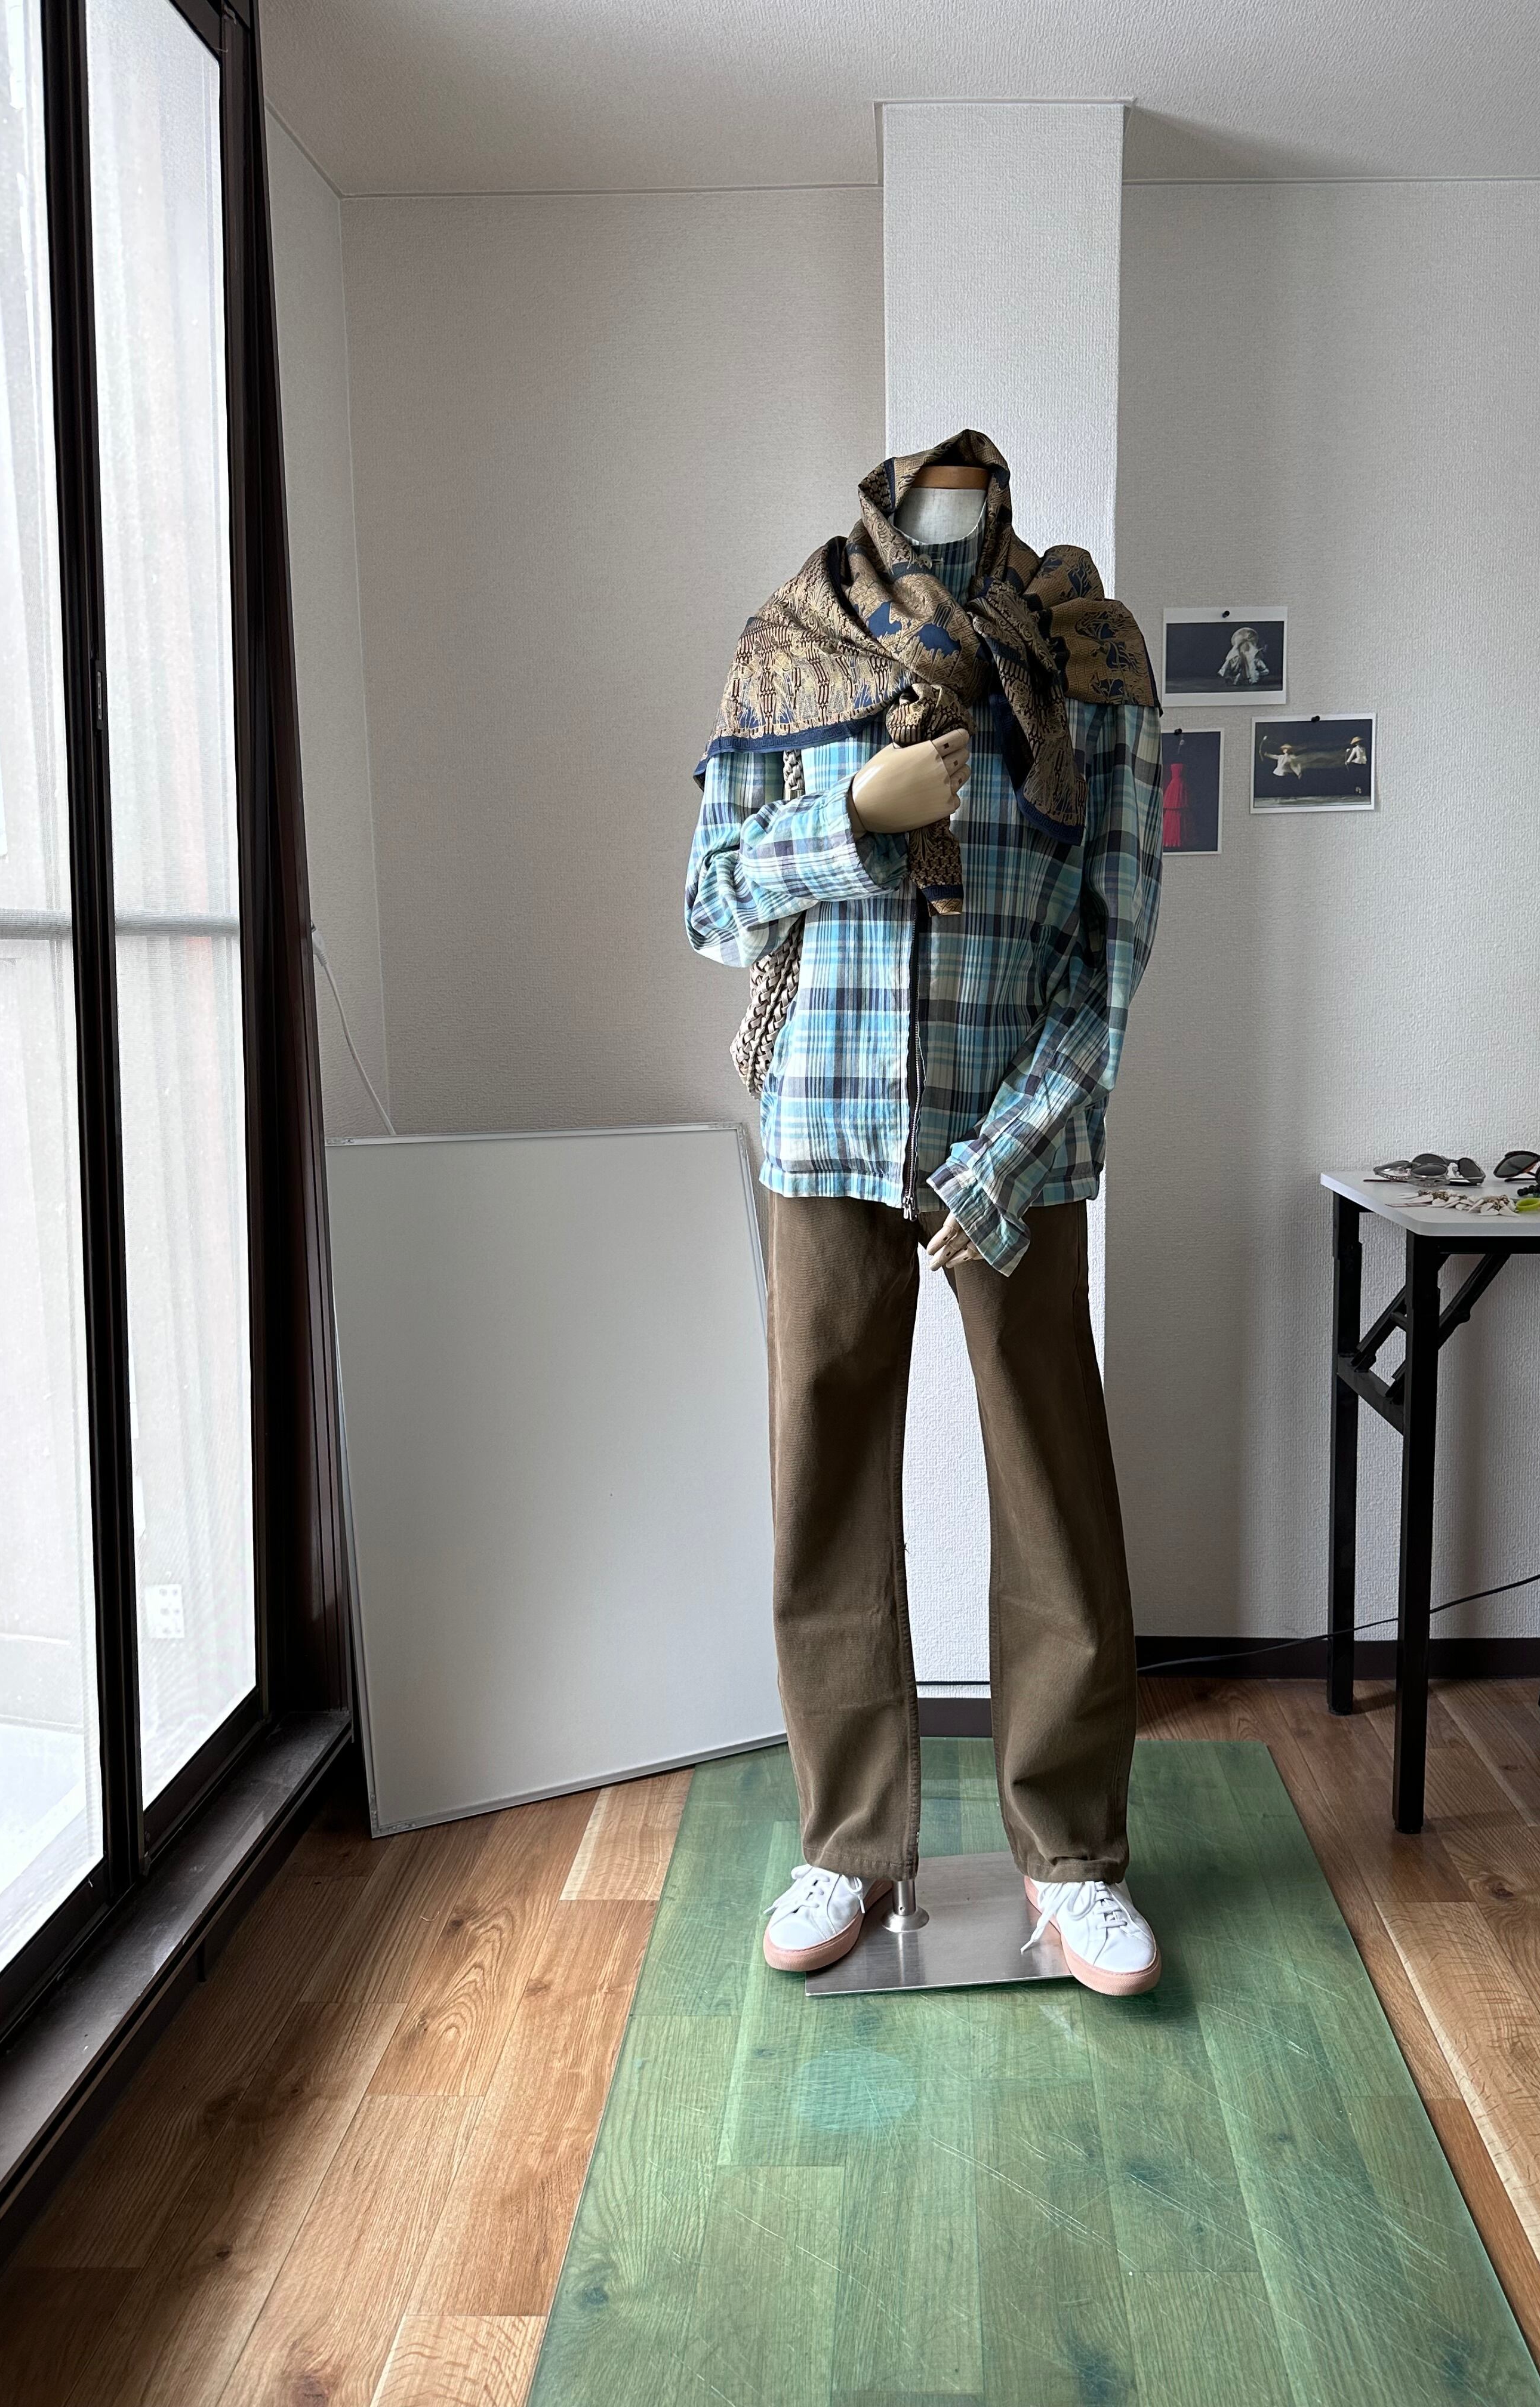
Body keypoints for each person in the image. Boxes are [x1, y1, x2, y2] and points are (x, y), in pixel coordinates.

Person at [685, 430, 1164, 1997]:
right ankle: (849, 1841)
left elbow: (1111, 949)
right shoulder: (787, 646)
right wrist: (854, 817)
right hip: (821, 1130)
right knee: (822, 1480)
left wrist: (1010, 1149)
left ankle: (1073, 1857)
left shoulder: (1093, 658)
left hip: (1016, 1134)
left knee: (1054, 1486)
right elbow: (709, 903)